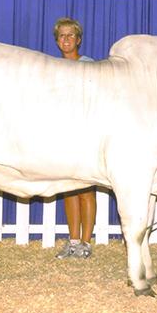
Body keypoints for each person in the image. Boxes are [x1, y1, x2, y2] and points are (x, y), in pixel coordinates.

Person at [53, 17, 97, 259]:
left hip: (85, 132)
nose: (66, 39)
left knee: (86, 189)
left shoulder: (89, 65)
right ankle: (72, 241)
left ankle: (86, 243)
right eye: (62, 36)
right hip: (63, 133)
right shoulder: (53, 66)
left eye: (71, 35)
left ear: (78, 40)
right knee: (69, 188)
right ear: (57, 40)